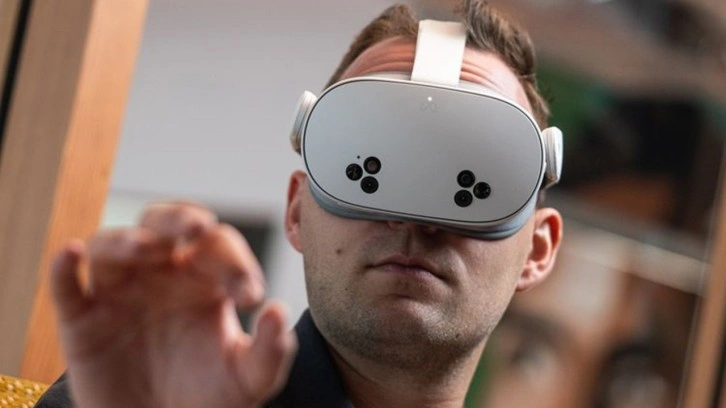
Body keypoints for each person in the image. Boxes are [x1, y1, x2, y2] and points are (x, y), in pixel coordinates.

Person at [36, 1, 563, 407]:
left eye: (474, 175)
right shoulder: (161, 398)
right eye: (368, 164)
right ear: (296, 212)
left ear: (538, 250)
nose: (408, 218)